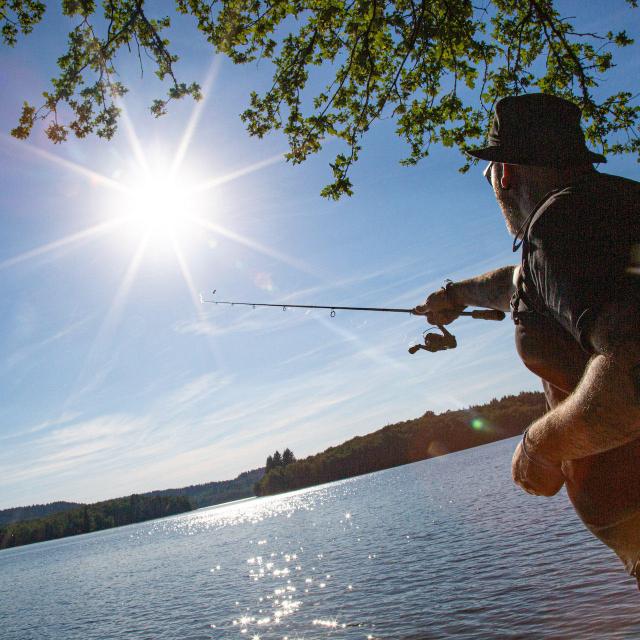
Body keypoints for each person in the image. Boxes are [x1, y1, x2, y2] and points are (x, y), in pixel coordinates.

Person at [415, 93, 640, 586]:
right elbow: (522, 285)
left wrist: (542, 445)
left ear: (506, 173)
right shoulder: (611, 209)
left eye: (491, 174)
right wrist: (455, 295)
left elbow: (634, 370)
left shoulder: (559, 227)